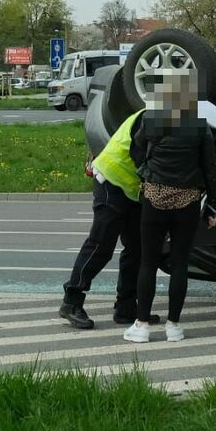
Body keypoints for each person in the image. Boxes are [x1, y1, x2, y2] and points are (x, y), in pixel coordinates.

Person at [124, 69, 216, 344]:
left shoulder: (153, 120)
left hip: (154, 197)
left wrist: (147, 171)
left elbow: (136, 149)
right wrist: (214, 203)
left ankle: (142, 326)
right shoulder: (199, 125)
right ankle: (174, 326)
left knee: (148, 262)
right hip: (187, 201)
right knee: (179, 264)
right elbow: (210, 168)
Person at [57, 109, 150, 330]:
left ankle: (126, 306)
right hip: (111, 180)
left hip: (131, 188)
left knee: (136, 247)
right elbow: (146, 160)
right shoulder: (152, 118)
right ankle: (71, 301)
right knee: (101, 244)